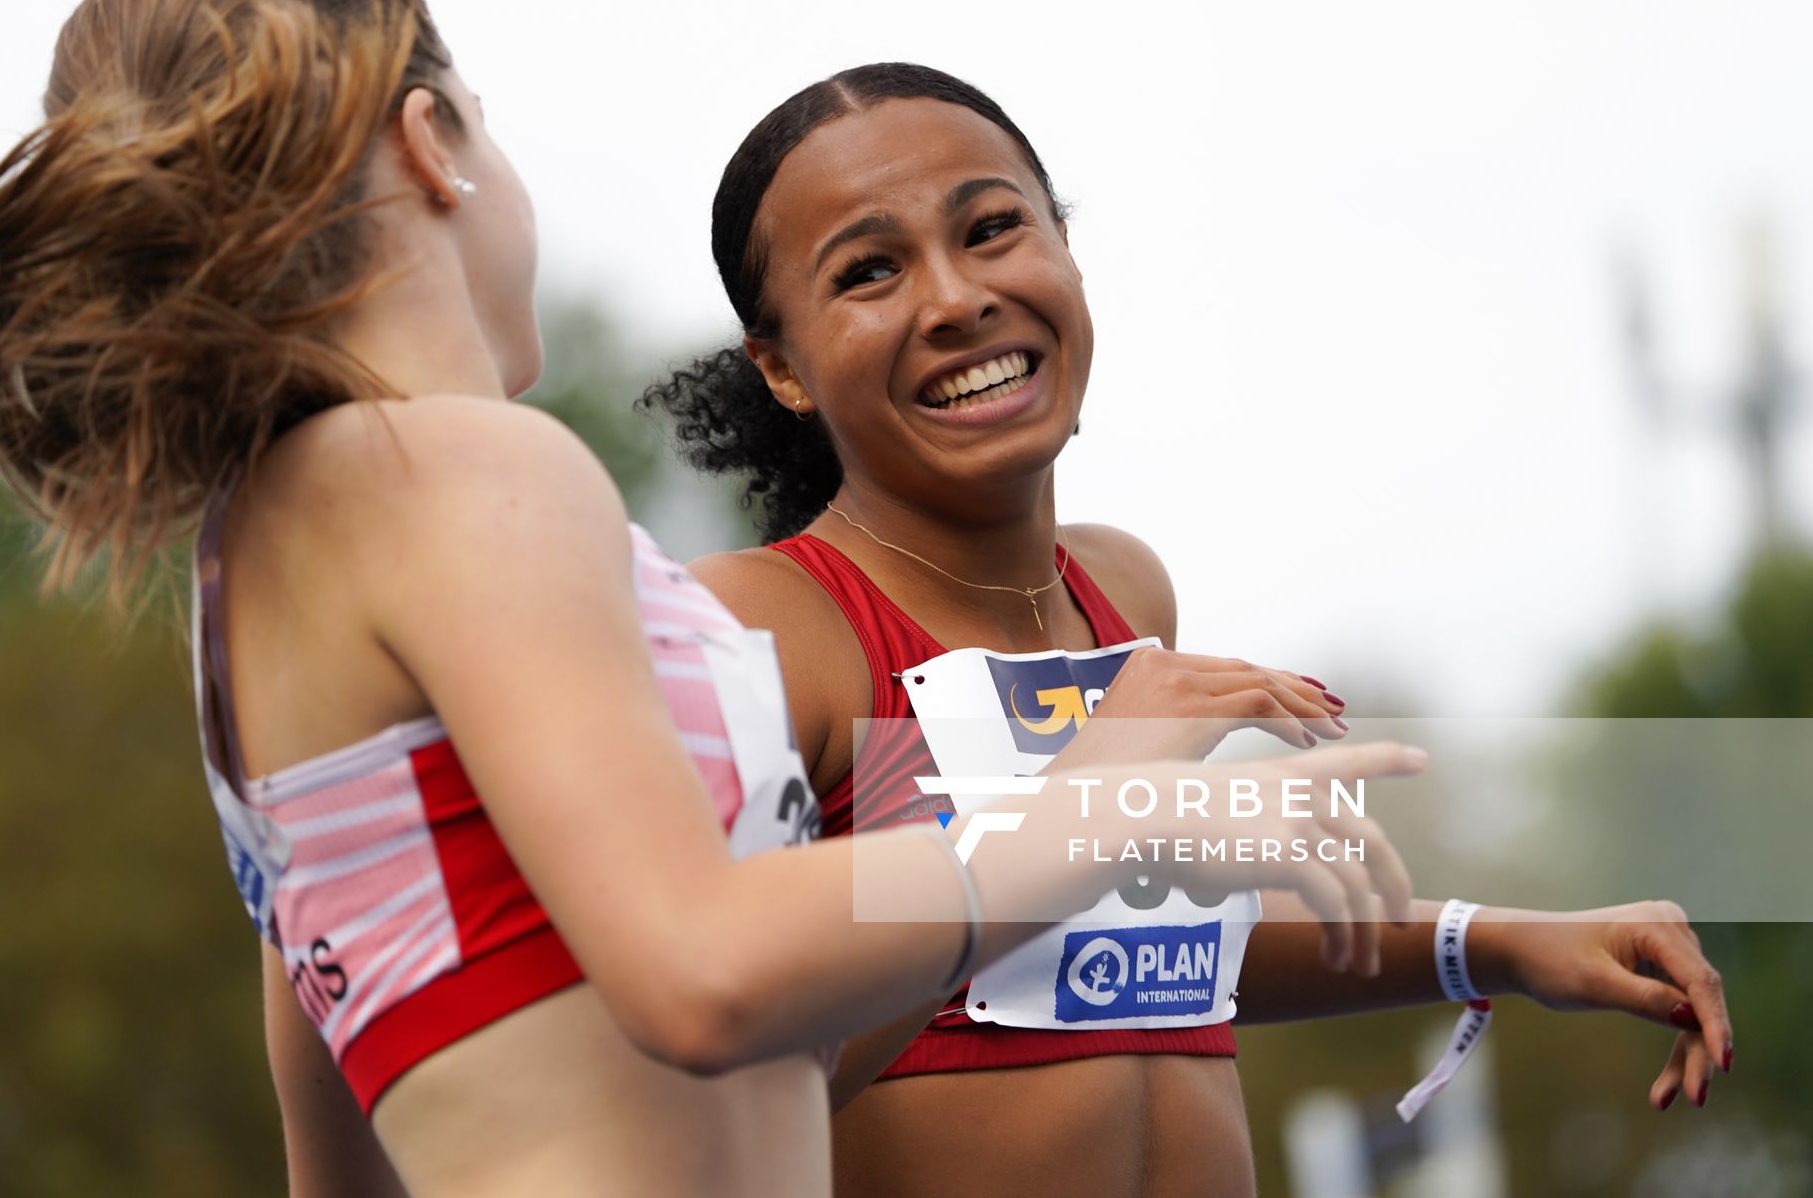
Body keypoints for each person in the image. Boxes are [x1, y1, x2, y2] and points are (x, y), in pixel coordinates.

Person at [0, 0, 1433, 1196]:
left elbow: (338, 1140)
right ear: (436, 144)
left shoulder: (271, 554)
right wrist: (1106, 810)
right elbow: (700, 974)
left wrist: (1143, 866)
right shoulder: (466, 469)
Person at [645, 61, 1736, 1198]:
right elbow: (723, 1076)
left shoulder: (1125, 589)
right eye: (870, 270)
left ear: (1065, 247)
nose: (956, 296)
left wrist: (1493, 942)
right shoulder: (763, 625)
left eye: (993, 227)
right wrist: (1074, 820)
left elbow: (1145, 951)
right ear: (781, 367)